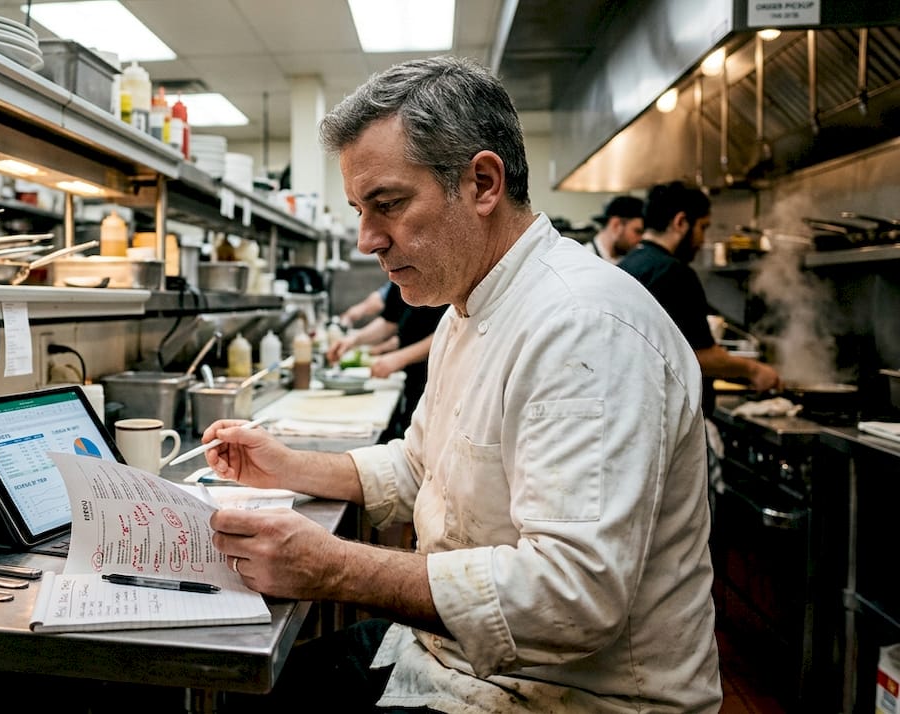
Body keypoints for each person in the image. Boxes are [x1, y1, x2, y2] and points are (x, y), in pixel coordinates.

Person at [203, 56, 721, 712]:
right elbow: (422, 465)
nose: (367, 239)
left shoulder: (583, 327)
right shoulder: (464, 310)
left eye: (387, 204)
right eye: (361, 210)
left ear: (481, 182)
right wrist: (288, 465)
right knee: (249, 691)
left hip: (568, 697)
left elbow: (574, 597)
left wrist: (334, 567)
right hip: (451, 661)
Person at [618, 181, 781, 418]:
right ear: (681, 222)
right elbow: (699, 356)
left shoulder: (628, 265)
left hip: (638, 412)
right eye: (703, 228)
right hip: (671, 419)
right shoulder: (674, 273)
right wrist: (754, 370)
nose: (702, 240)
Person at [327, 282, 445, 439]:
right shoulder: (399, 276)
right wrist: (353, 339)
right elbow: (389, 323)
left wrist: (399, 358)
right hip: (413, 377)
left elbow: (447, 331)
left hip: (437, 379)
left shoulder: (442, 275)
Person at [587, 195, 645, 263]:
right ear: (616, 225)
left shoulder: (633, 261)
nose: (641, 239)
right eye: (638, 231)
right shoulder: (584, 259)